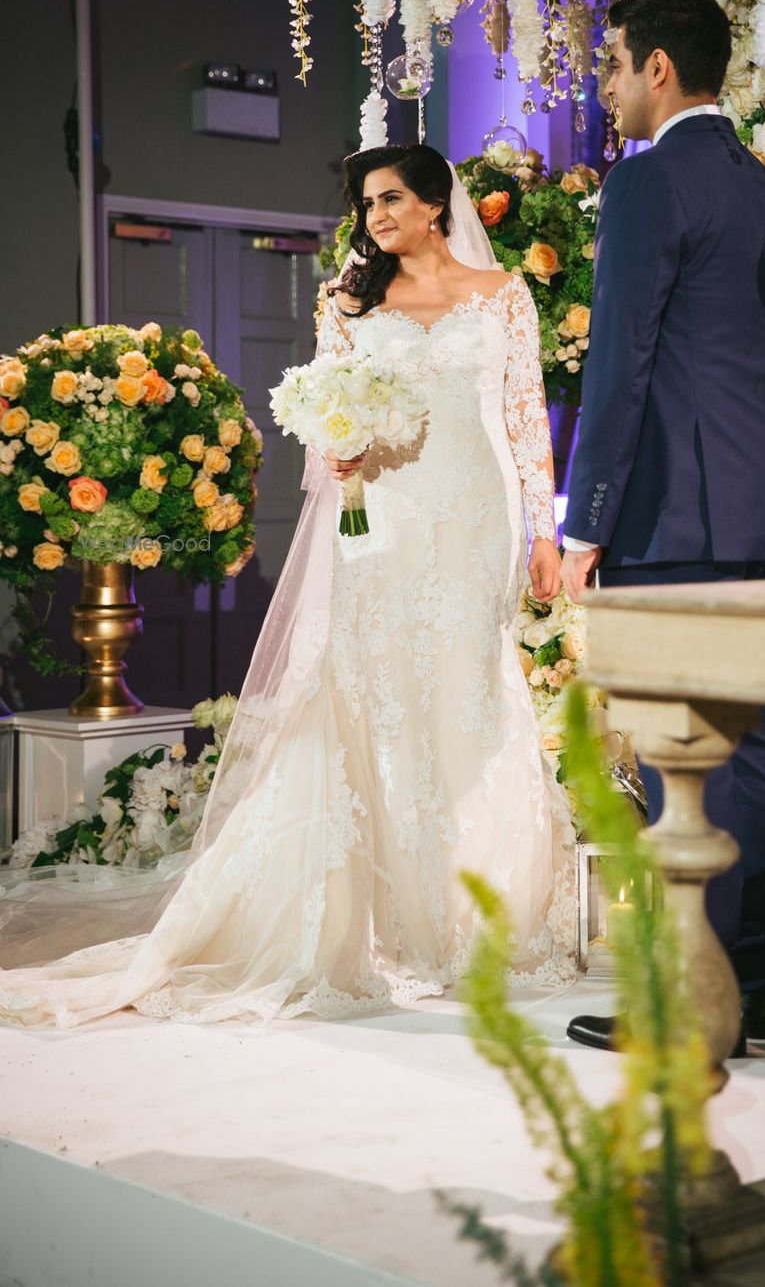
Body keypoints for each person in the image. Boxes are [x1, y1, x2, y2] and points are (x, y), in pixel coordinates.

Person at [0, 143, 576, 1027]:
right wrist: (334, 444)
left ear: (434, 203)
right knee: (372, 695)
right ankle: (376, 916)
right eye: (365, 203)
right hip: (378, 518)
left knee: (469, 697)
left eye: (391, 199)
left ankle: (470, 915)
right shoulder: (348, 302)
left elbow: (525, 418)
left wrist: (544, 531)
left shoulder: (503, 299)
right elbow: (323, 410)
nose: (377, 216)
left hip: (472, 518)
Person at [561, 0, 765, 1055]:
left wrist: (587, 522)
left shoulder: (648, 182)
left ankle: (687, 1006)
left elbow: (618, 366)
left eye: (613, 64)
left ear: (658, 68)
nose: (606, 86)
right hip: (757, 511)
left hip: (670, 517)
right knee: (748, 750)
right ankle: (747, 983)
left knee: (681, 758)